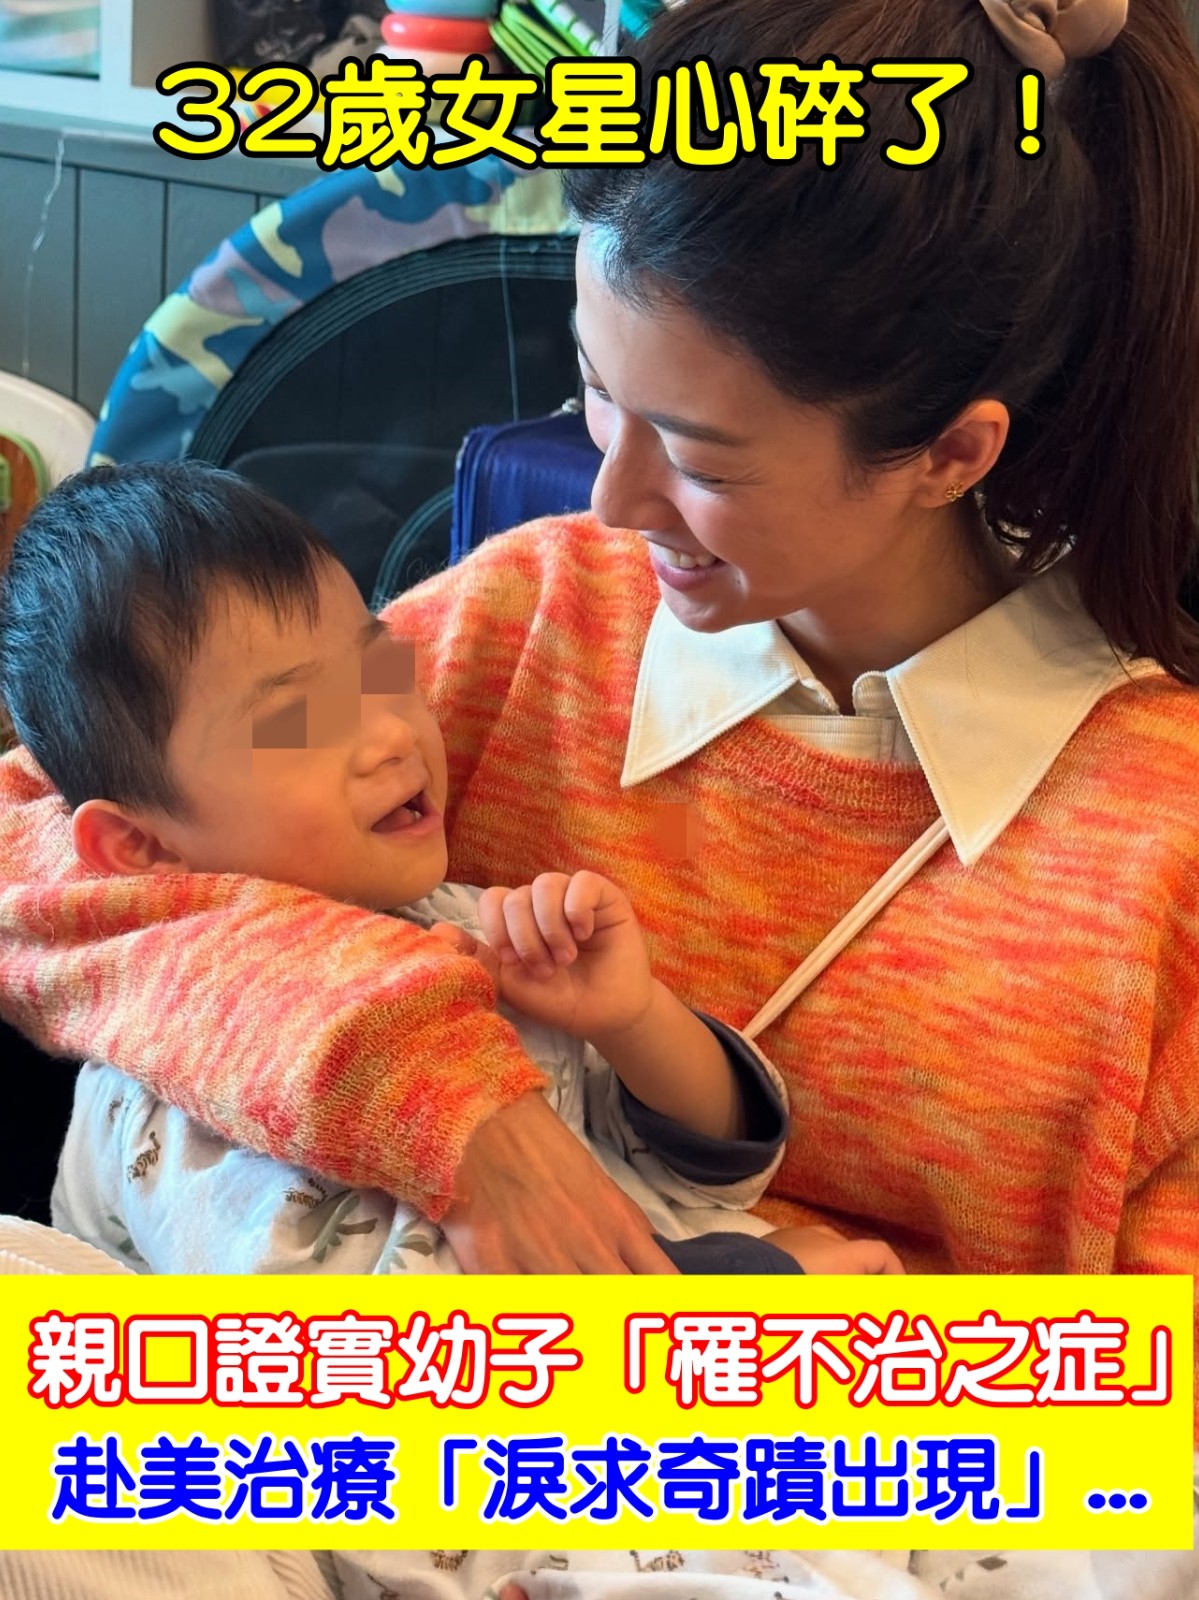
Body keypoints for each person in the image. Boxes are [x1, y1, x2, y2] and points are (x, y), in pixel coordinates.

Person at [0, 0, 1194, 1388]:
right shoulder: (534, 616)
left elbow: (1137, 1420)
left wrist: (736, 1342)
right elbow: (57, 835)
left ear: (947, 453)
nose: (611, 500)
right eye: (593, 391)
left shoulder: (1153, 850)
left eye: (698, 458)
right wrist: (430, 1094)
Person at [2, 461, 901, 1277]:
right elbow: (383, 1352)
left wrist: (635, 1023)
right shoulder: (174, 1098)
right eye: (300, 720)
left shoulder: (464, 923)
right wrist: (751, 1288)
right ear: (140, 847)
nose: (392, 732)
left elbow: (714, 1167)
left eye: (380, 671)